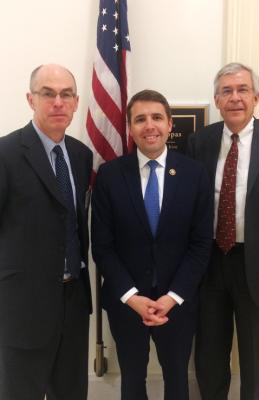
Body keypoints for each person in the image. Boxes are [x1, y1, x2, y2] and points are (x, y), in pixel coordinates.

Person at [187, 62, 259, 400]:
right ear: (217, 100)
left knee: (255, 361)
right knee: (209, 359)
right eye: (227, 91)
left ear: (256, 97)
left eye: (242, 90)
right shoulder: (199, 142)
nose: (235, 98)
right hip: (209, 267)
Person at [91, 89, 213, 400]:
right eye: (140, 119)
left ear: (170, 124)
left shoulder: (195, 174)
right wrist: (133, 297)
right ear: (130, 128)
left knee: (177, 381)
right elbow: (103, 247)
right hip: (127, 301)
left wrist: (172, 297)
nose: (150, 126)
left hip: (177, 302)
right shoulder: (109, 175)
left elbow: (200, 245)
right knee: (132, 380)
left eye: (157, 117)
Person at [0, 64, 93, 400]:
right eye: (48, 93)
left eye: (66, 94)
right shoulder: (6, 153)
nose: (58, 102)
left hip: (73, 302)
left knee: (71, 393)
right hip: (23, 307)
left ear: (76, 101)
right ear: (31, 99)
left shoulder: (81, 156)